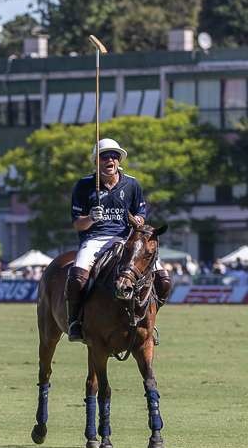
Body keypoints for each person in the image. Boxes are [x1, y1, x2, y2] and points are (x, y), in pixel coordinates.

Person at [66, 138, 172, 342]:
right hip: (96, 238)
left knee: (163, 279)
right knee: (77, 276)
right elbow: (77, 224)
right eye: (105, 156)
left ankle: (150, 320)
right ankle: (75, 322)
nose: (110, 160)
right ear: (97, 161)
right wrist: (90, 218)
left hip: (127, 239)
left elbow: (141, 213)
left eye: (114, 156)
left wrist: (138, 219)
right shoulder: (84, 185)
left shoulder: (132, 184)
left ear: (119, 161)